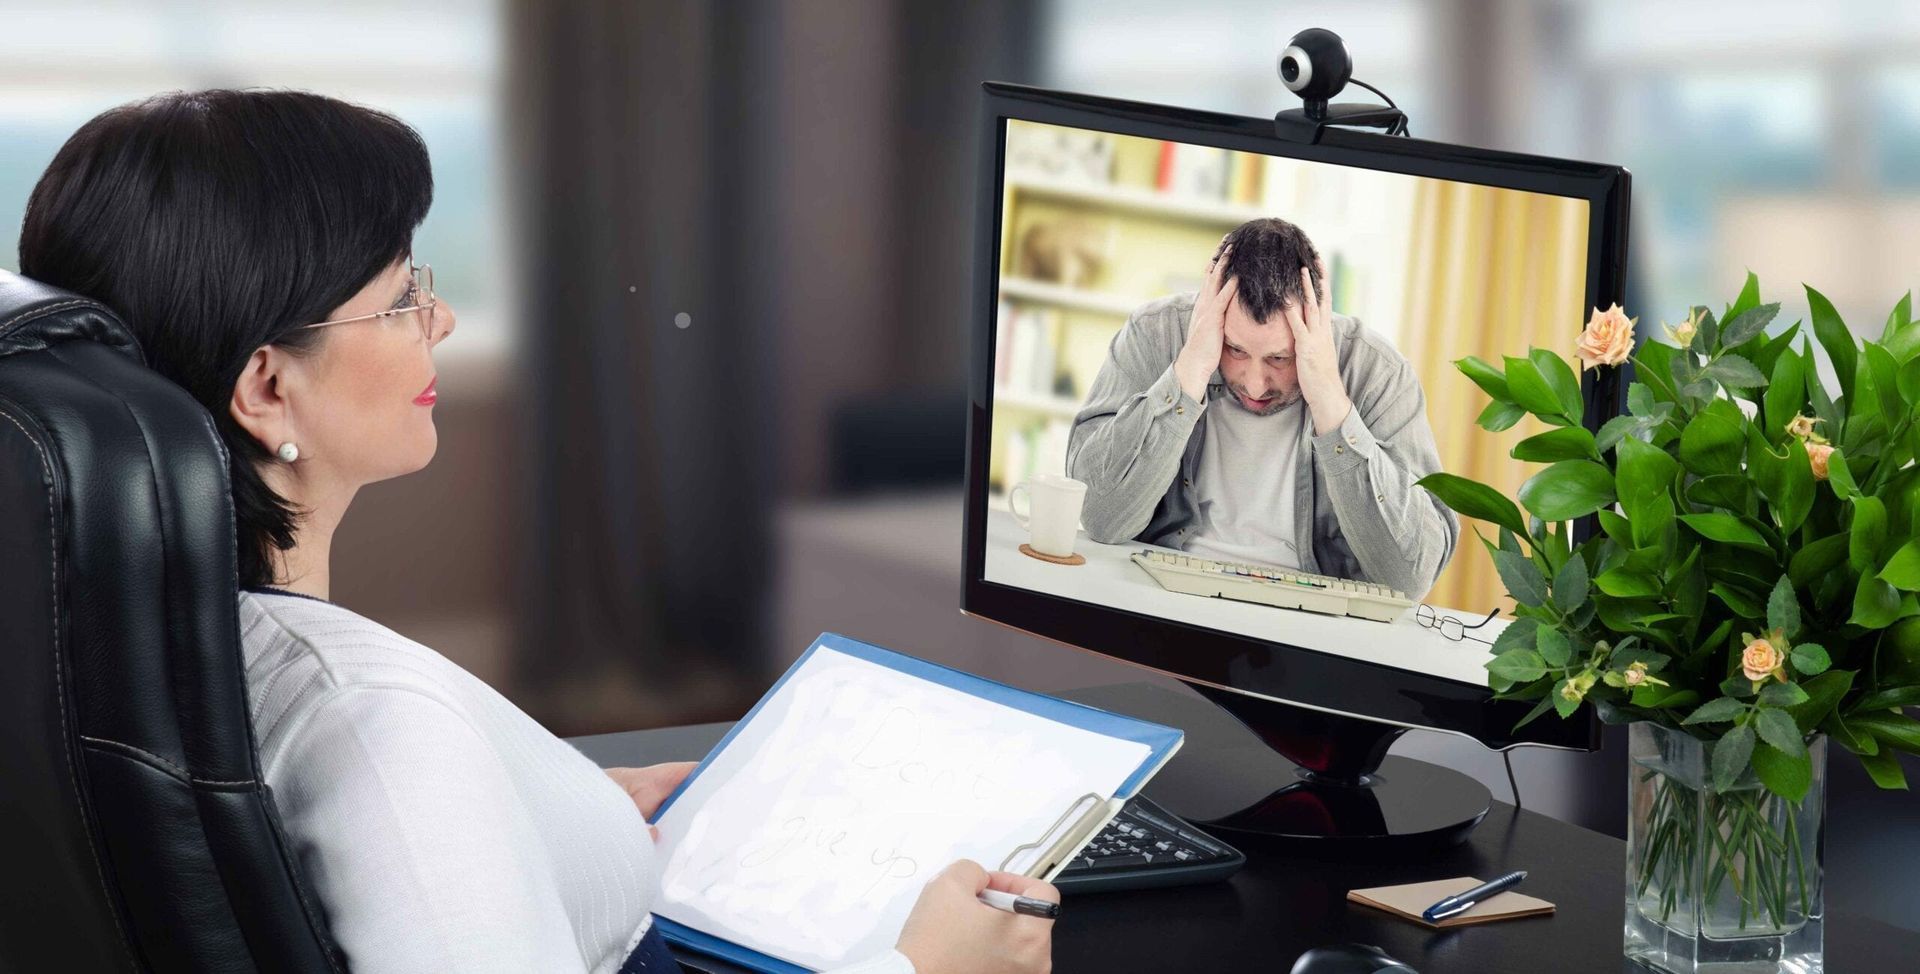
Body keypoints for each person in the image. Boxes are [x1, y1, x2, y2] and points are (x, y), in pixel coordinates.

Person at [18, 89, 1055, 974]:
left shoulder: (126, 637)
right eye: (399, 298)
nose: (441, 320)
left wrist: (552, 811)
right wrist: (922, 964)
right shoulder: (381, 722)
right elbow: (394, 789)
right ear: (267, 385)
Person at [1066, 217, 1457, 601]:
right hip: (1160, 595)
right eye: (1236, 349)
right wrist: (1187, 375)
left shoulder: (1377, 370)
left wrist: (1330, 402)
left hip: (1308, 624)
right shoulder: (1155, 333)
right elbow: (1101, 518)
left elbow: (1409, 578)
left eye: (1279, 359)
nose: (1255, 384)